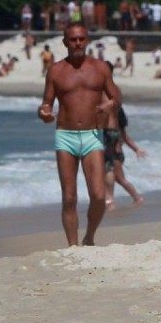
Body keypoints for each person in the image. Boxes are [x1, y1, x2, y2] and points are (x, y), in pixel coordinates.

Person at [38, 23, 120, 247]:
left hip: (93, 135)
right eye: (73, 40)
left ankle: (90, 236)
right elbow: (46, 103)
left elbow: (116, 96)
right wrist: (44, 113)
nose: (77, 43)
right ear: (65, 42)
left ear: (87, 40)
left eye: (81, 39)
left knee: (99, 196)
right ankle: (73, 247)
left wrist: (109, 106)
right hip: (66, 135)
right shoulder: (55, 70)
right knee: (69, 197)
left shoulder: (100, 68)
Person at [102, 100, 145, 209]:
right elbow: (126, 138)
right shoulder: (118, 127)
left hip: (113, 154)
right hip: (118, 154)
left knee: (114, 177)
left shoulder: (109, 127)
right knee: (119, 179)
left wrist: (136, 149)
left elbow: (123, 139)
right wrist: (136, 149)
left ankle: (110, 200)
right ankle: (136, 198)